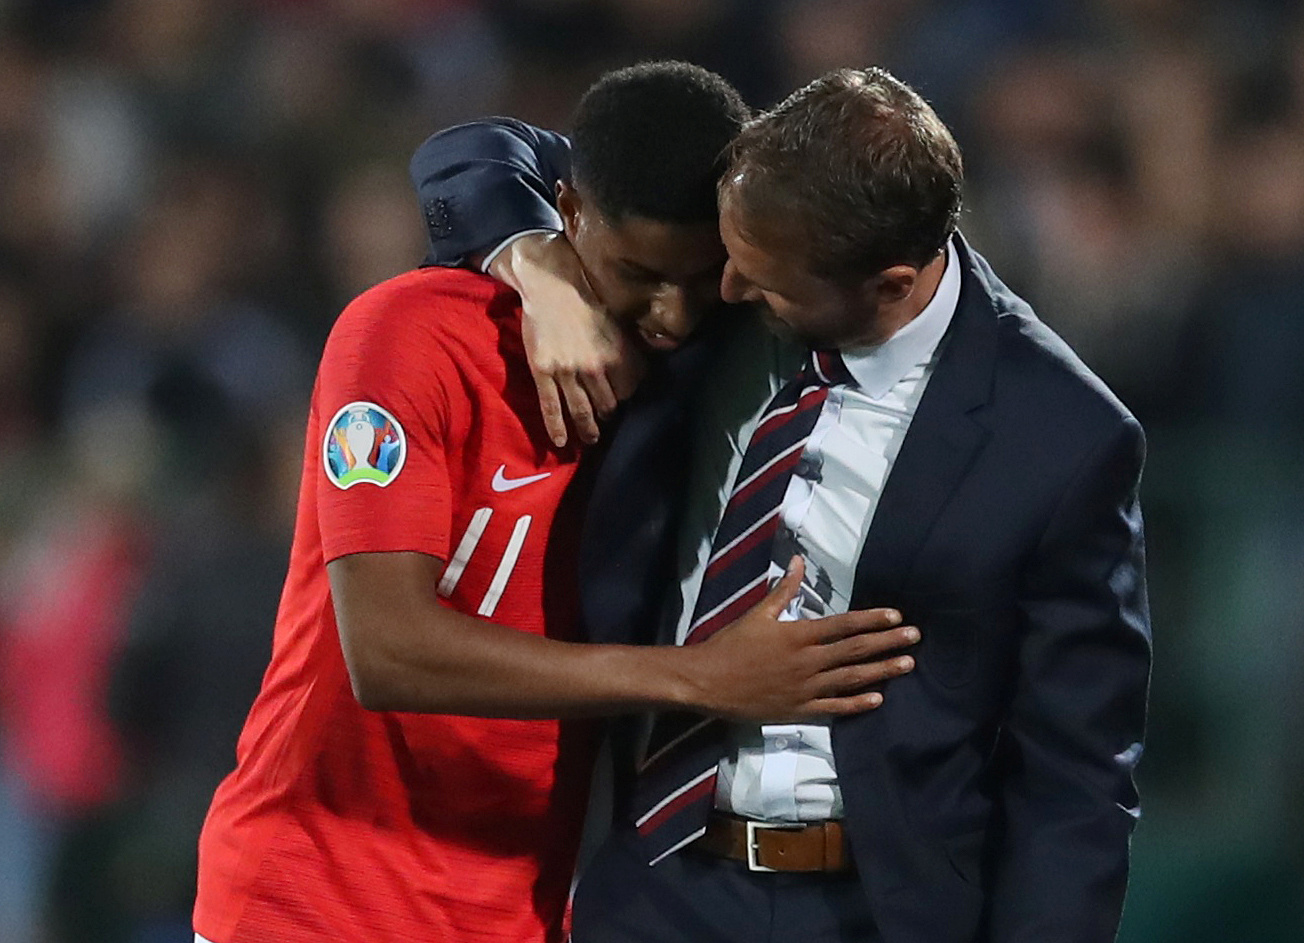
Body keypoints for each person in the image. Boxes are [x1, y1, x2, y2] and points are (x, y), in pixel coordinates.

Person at [411, 66, 1151, 943]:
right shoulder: (758, 221)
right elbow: (474, 156)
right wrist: (537, 268)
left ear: (888, 282)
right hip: (652, 881)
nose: (719, 293)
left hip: (870, 910)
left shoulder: (1061, 435)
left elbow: (1076, 780)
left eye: (763, 282)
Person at [192, 62, 919, 943]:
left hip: (520, 915)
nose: (674, 313)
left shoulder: (695, 376)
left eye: (702, 279)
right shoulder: (411, 334)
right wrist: (705, 678)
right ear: (569, 214)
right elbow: (384, 649)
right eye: (641, 274)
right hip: (313, 901)